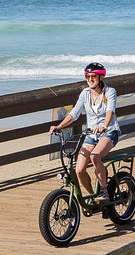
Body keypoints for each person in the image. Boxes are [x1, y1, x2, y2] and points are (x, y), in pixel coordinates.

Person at [49, 62, 121, 202]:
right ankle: (93, 197)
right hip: (91, 135)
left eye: (93, 76)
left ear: (101, 77)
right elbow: (74, 114)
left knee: (95, 156)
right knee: (79, 170)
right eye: (87, 77)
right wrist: (59, 126)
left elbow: (110, 111)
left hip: (109, 133)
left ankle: (104, 191)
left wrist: (105, 126)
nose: (90, 79)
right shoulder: (85, 93)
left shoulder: (110, 92)